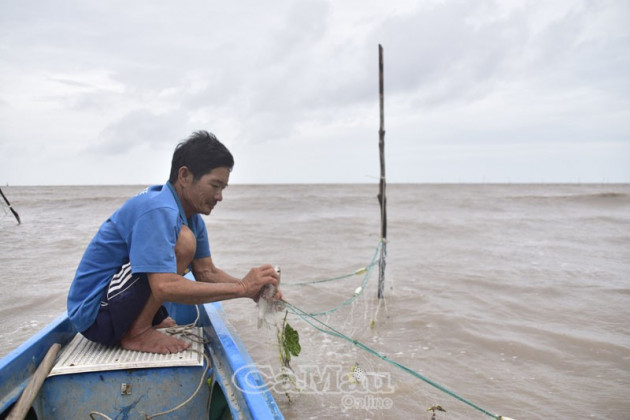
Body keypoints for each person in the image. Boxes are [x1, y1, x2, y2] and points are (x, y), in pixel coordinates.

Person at [67, 131, 281, 354]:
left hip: (114, 304)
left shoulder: (191, 217)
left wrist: (255, 291)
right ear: (185, 176)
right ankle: (138, 332)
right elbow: (164, 286)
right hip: (95, 315)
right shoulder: (159, 209)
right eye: (214, 185)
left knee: (184, 240)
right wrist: (242, 288)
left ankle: (143, 322)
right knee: (184, 242)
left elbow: (206, 272)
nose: (219, 196)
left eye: (223, 188)